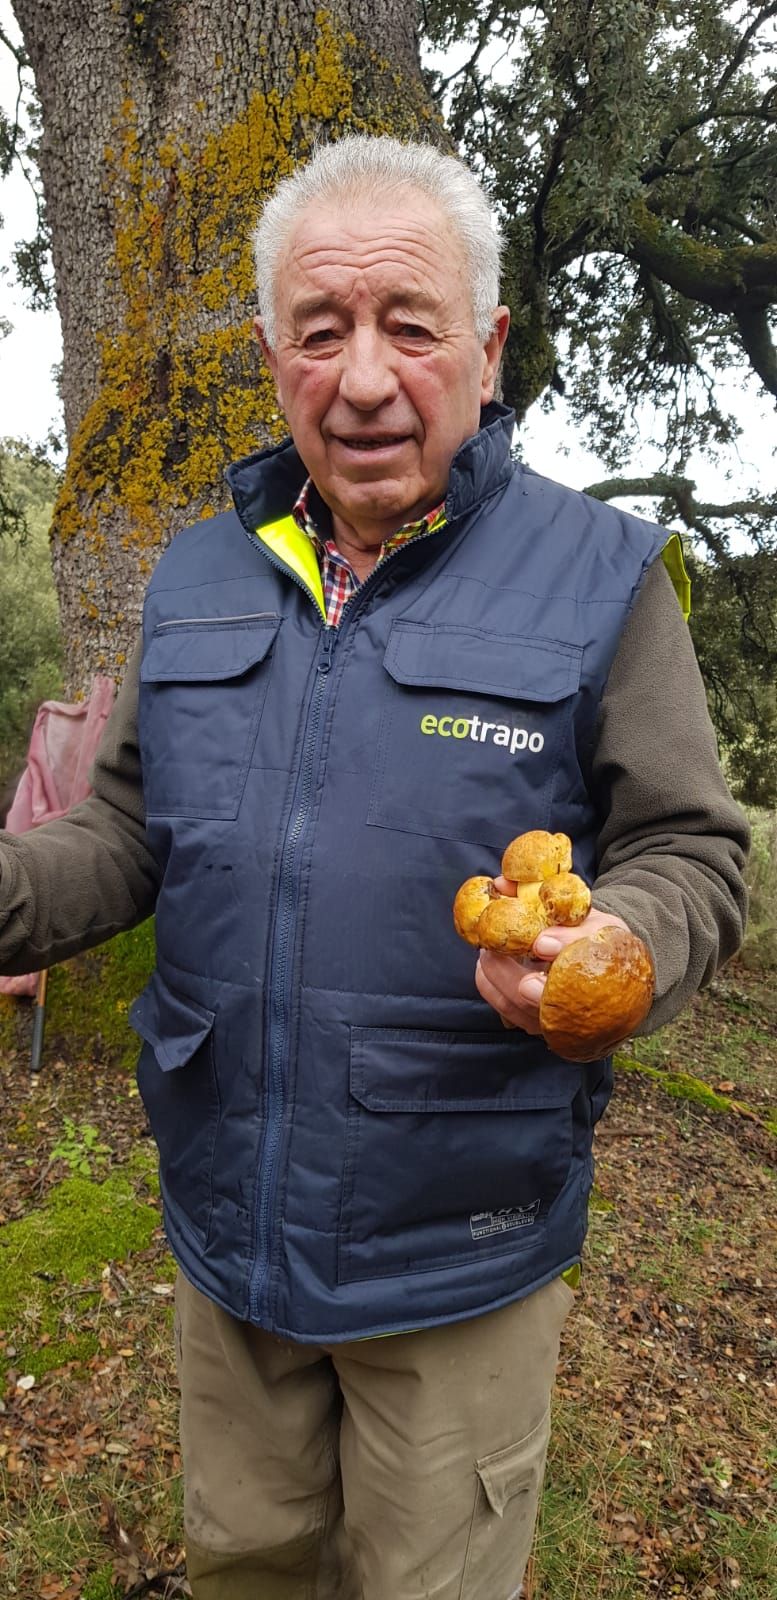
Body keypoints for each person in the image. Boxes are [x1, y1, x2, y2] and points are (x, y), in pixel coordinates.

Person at [0, 136, 748, 1599]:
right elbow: (128, 833)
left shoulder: (599, 576)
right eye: (318, 329)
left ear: (485, 345)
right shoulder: (198, 570)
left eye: (407, 326)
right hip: (228, 1219)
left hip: (454, 1236)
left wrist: (620, 953)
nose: (359, 378)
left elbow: (693, 848)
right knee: (248, 1562)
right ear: (272, 352)